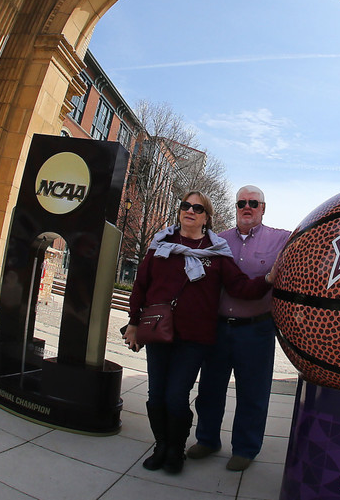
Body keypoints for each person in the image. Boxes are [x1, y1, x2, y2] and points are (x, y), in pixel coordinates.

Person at [123, 190, 273, 475]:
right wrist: (133, 322)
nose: (190, 211)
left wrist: (268, 279)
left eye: (197, 208)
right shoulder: (160, 244)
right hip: (158, 332)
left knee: (176, 397)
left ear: (207, 217)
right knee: (156, 396)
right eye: (185, 206)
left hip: (193, 339)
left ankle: (176, 450)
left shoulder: (216, 252)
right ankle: (161, 446)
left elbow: (239, 287)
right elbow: (141, 285)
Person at [187, 185, 291, 472]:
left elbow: (310, 244)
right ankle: (207, 439)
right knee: (209, 389)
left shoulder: (281, 239)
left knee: (253, 393)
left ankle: (245, 448)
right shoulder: (217, 241)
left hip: (256, 330)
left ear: (263, 208)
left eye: (253, 203)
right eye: (241, 203)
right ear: (235, 207)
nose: (247, 207)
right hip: (218, 328)